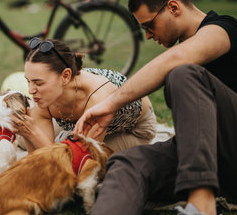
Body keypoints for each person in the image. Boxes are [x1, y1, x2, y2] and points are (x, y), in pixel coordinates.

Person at [74, 0, 237, 215]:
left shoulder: (224, 28)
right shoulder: (183, 51)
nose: (149, 36)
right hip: (213, 160)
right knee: (127, 163)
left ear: (173, 8)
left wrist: (110, 104)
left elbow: (176, 60)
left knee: (182, 73)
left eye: (149, 26)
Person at [12, 37, 157, 154]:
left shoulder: (97, 97)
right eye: (28, 81)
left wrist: (33, 134)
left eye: (38, 83)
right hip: (78, 119)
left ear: (66, 76)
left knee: (71, 154)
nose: (30, 90)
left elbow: (77, 163)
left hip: (134, 130)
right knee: (25, 139)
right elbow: (37, 159)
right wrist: (30, 135)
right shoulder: (45, 97)